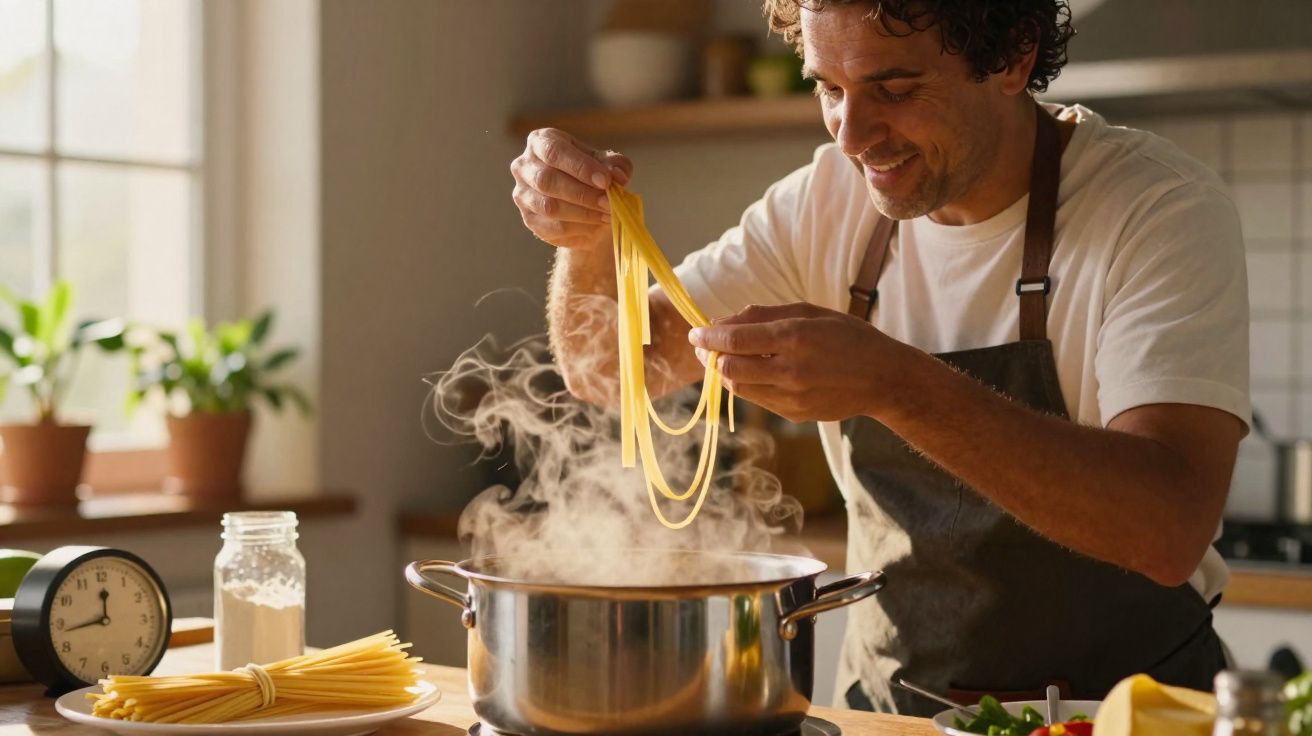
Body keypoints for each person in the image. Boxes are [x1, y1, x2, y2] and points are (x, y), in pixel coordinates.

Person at [510, 0, 1249, 717]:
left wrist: (896, 384)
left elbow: (1167, 530)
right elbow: (609, 369)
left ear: (1013, 56)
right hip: (889, 714)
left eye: (894, 88)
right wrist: (584, 242)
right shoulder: (824, 205)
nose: (852, 136)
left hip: (1122, 716)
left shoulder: (1156, 208)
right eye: (829, 89)